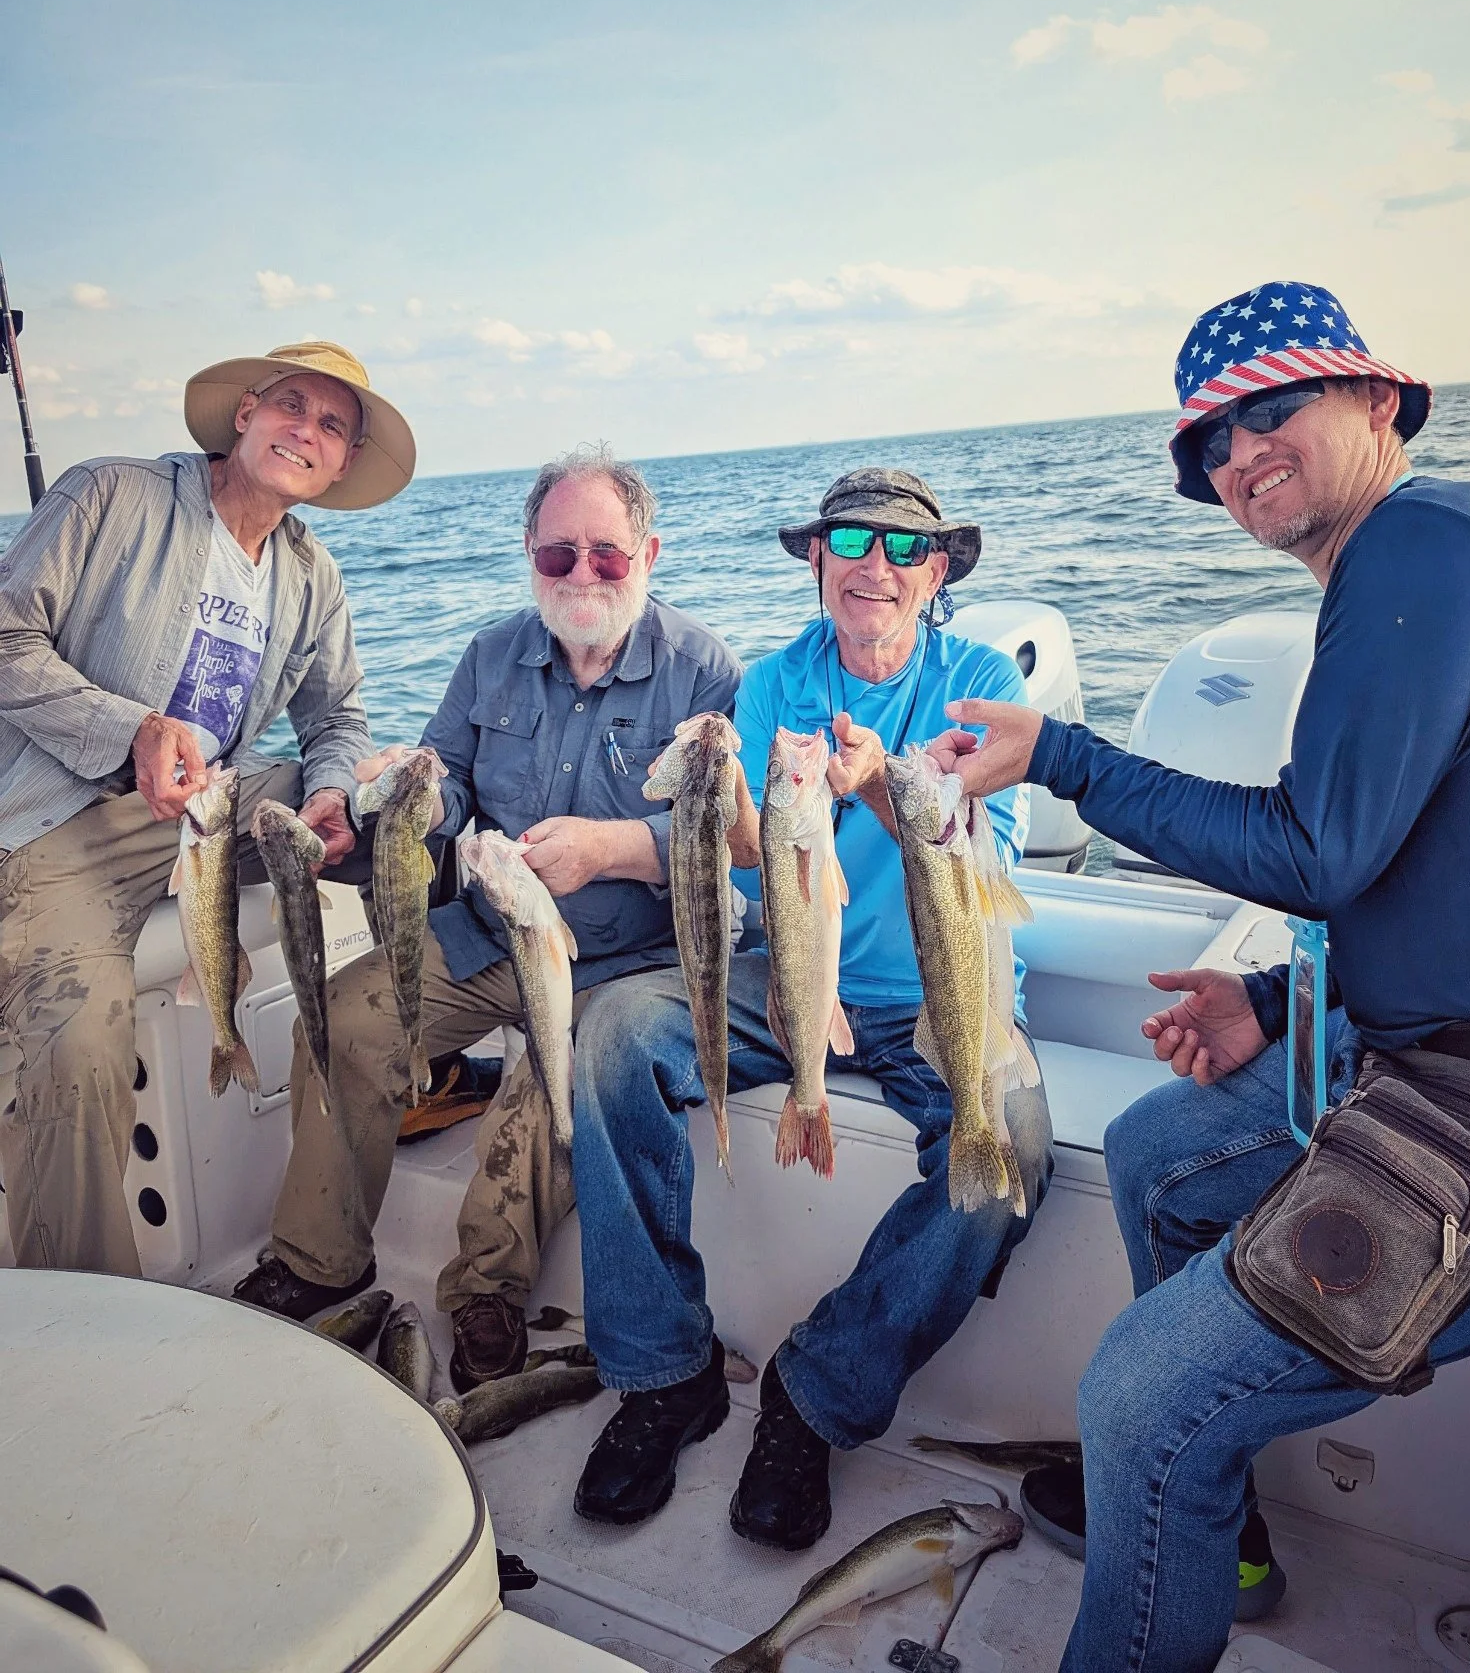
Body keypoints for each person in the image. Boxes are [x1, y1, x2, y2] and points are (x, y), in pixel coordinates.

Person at [936, 282, 1470, 1673]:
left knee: (1138, 1394)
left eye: (1275, 410)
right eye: (1210, 440)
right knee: (1155, 1148)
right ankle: (1223, 1527)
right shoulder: (1431, 553)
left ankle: (1167, 1459)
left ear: (1380, 400)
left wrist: (1065, 758)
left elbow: (1321, 851)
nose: (1238, 453)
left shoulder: (1420, 551)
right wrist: (1275, 1004)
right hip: (1429, 1050)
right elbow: (1434, 855)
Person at [569, 467, 1047, 1550]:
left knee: (1005, 1151)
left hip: (944, 993)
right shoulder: (777, 682)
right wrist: (724, 791)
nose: (874, 565)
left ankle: (814, 1395)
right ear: (818, 561)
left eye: (901, 548)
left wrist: (878, 785)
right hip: (794, 975)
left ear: (936, 574)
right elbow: (755, 871)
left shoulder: (977, 684)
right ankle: (664, 1373)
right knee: (612, 1037)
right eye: (850, 541)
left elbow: (980, 871)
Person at [236, 447, 741, 1395]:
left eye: (606, 554)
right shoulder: (489, 654)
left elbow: (727, 843)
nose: (582, 574)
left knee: (552, 1085)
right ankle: (320, 1264)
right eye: (558, 556)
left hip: (626, 958)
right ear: (528, 554)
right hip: (491, 931)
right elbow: (450, 781)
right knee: (346, 1014)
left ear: (650, 553)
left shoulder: (703, 669)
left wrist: (609, 848)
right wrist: (410, 797)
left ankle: (485, 1292)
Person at [0, 340, 414, 1277]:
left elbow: (337, 715)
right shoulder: (109, 494)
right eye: (292, 407)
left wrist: (333, 790)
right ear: (246, 414)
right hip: (66, 823)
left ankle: (401, 1047)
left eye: (332, 426)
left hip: (209, 810)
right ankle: (86, 1311)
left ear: (342, 461)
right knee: (78, 1047)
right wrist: (130, 731)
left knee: (401, 817)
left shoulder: (312, 576)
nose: (306, 431)